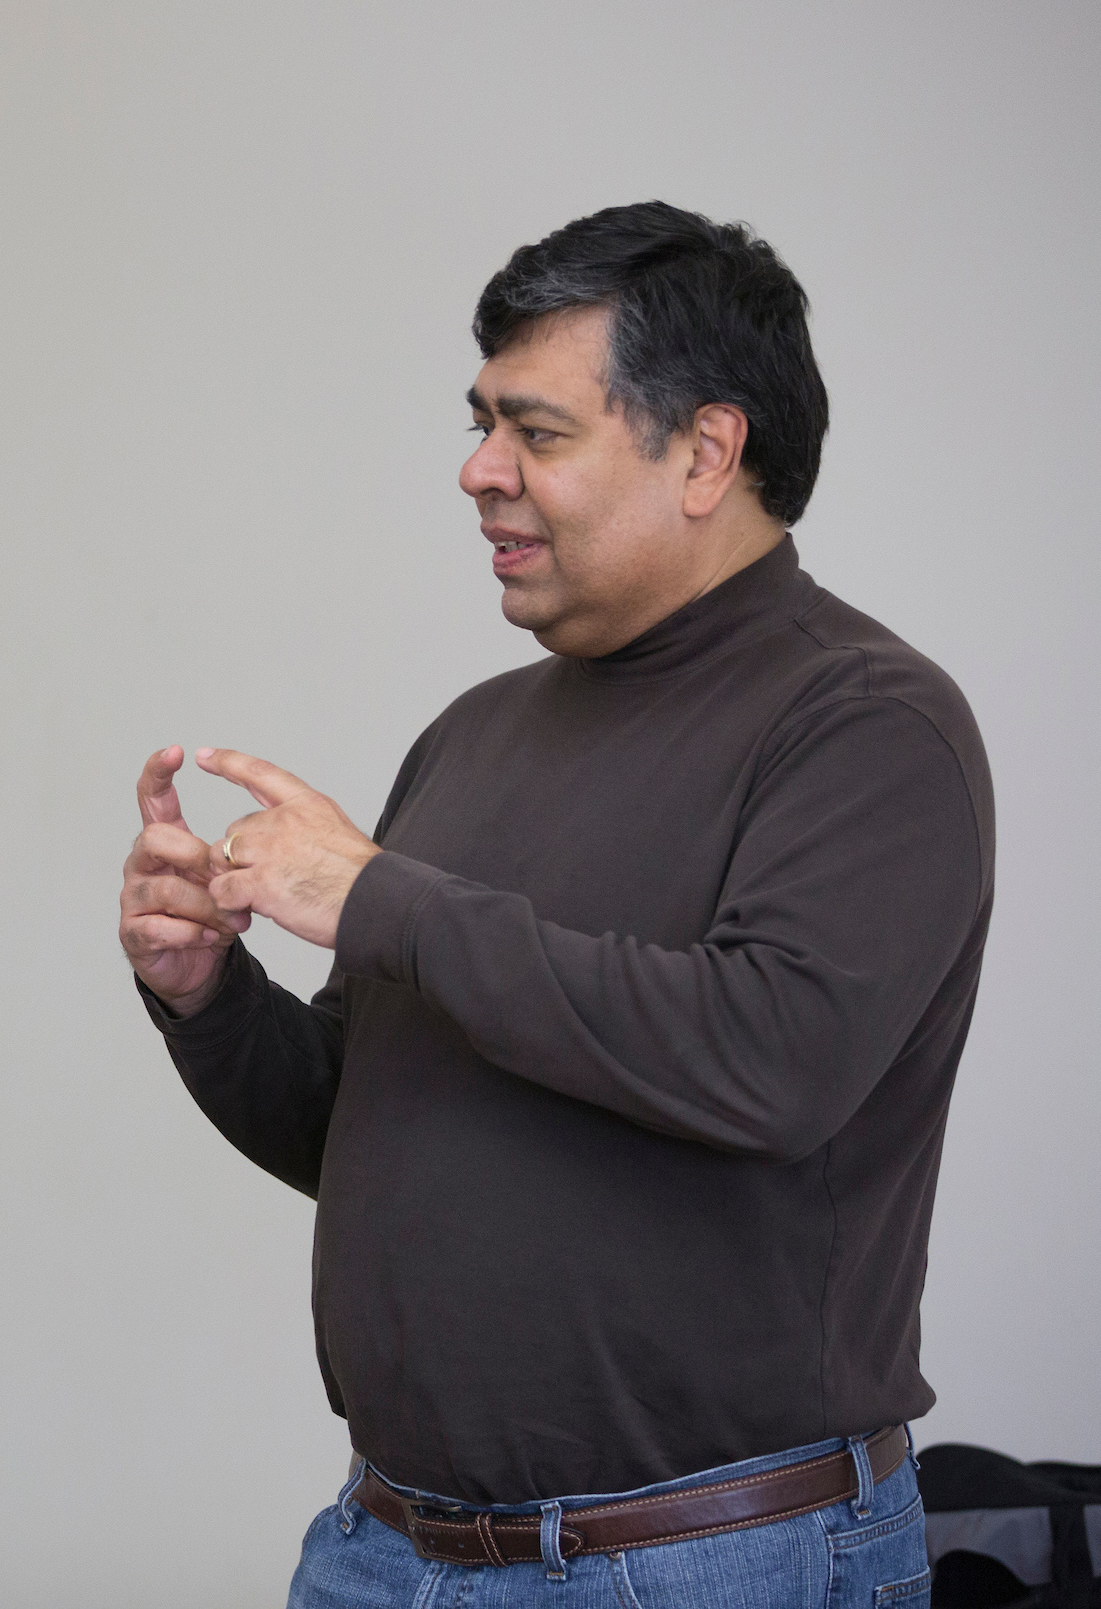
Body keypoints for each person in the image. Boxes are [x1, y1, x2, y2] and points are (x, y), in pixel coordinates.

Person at [117, 204, 990, 1606]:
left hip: (710, 1564)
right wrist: (206, 995)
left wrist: (384, 897)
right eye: (479, 423)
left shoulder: (867, 721)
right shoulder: (472, 734)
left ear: (706, 451)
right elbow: (357, 1124)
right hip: (386, 1548)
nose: (478, 470)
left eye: (536, 429)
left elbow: (768, 1058)